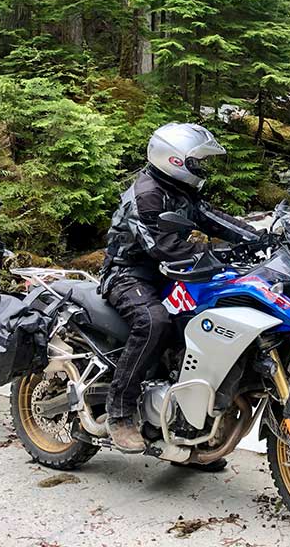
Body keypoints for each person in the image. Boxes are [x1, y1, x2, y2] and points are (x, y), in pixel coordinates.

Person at [100, 122, 258, 454]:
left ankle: (187, 428)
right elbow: (163, 246)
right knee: (153, 322)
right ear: (174, 159)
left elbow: (213, 218)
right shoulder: (146, 194)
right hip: (130, 274)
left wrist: (258, 237)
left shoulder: (180, 190)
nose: (202, 168)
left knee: (207, 322)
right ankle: (119, 412)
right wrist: (215, 253)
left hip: (170, 273)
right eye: (197, 160)